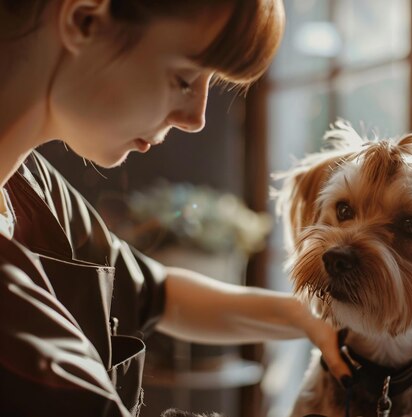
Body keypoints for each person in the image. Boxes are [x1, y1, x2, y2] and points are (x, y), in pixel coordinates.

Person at [0, 1, 351, 416]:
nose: (195, 117)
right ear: (84, 20)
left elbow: (155, 293)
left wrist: (304, 317)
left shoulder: (29, 189)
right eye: (184, 79)